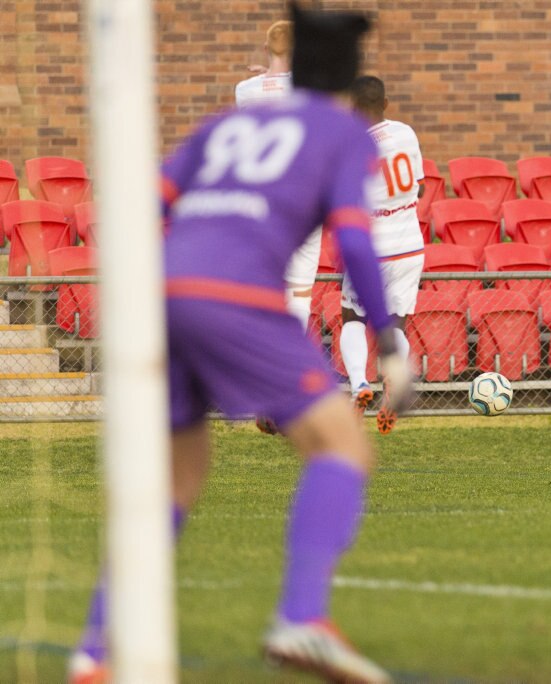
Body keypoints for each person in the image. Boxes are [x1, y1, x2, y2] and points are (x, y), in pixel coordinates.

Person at [69, 5, 404, 683]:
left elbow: (149, 203)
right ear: (348, 85)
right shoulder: (343, 133)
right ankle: (302, 618)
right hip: (237, 298)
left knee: (174, 479)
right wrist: (390, 338)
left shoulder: (227, 124)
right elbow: (356, 237)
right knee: (342, 443)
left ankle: (94, 653)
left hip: (163, 292)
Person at [340, 75, 425, 434]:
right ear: (386, 103)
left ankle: (360, 383)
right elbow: (418, 186)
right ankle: (394, 385)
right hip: (410, 245)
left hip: (373, 245)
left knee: (352, 318)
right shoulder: (405, 133)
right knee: (397, 322)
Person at [235, 18, 322, 331]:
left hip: (260, 196)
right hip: (302, 195)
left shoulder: (245, 90)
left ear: (265, 48)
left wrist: (266, 79)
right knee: (299, 290)